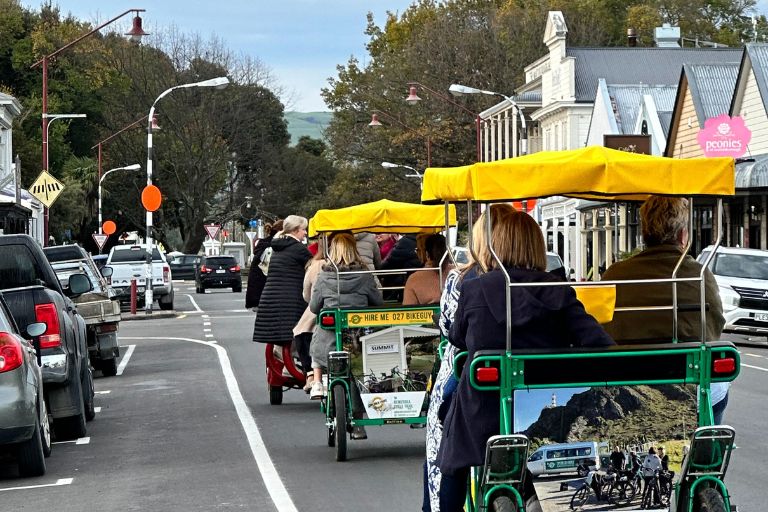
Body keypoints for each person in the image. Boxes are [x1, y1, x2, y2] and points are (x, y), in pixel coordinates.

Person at [437, 210, 615, 511]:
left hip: (483, 411)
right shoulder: (557, 290)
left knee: (452, 455)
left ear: (496, 246)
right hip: (540, 409)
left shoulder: (474, 288)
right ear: (536, 247)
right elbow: (598, 342)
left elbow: (456, 336)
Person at [602, 196, 729, 423]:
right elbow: (714, 327)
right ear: (683, 235)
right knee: (718, 385)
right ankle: (708, 451)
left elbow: (601, 328)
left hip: (624, 381)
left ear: (644, 233)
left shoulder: (615, 274)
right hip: (690, 381)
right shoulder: (700, 276)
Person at [424, 205, 514, 512]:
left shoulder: (462, 280)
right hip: (528, 377)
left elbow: (451, 331)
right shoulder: (541, 280)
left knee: (443, 424)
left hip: (470, 368)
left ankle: (438, 504)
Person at [309, 233, 383, 438]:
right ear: (354, 250)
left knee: (318, 335)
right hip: (359, 338)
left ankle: (316, 382)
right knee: (355, 373)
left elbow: (314, 307)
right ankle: (359, 423)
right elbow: (378, 302)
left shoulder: (324, 275)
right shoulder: (365, 274)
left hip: (330, 338)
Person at [251, 216, 312, 355]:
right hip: (290, 299)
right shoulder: (298, 249)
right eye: (304, 230)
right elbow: (313, 269)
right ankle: (300, 366)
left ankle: (282, 357)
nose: (306, 233)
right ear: (296, 230)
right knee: (304, 329)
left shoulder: (278, 246)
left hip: (272, 298)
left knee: (283, 335)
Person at [292, 239, 326, 391]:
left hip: (321, 306)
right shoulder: (357, 262)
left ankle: (310, 374)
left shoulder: (316, 265)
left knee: (301, 331)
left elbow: (307, 294)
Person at [245, 219, 283, 310]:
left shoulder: (262, 245)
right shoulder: (279, 246)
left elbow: (254, 275)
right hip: (275, 295)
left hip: (260, 297)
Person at [404, 233, 450, 306]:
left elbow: (408, 311)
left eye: (417, 250)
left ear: (427, 254)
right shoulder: (460, 273)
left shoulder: (414, 279)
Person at [380, 234, 423, 301]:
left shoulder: (404, 243)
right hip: (432, 287)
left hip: (409, 288)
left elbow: (387, 267)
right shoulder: (431, 239)